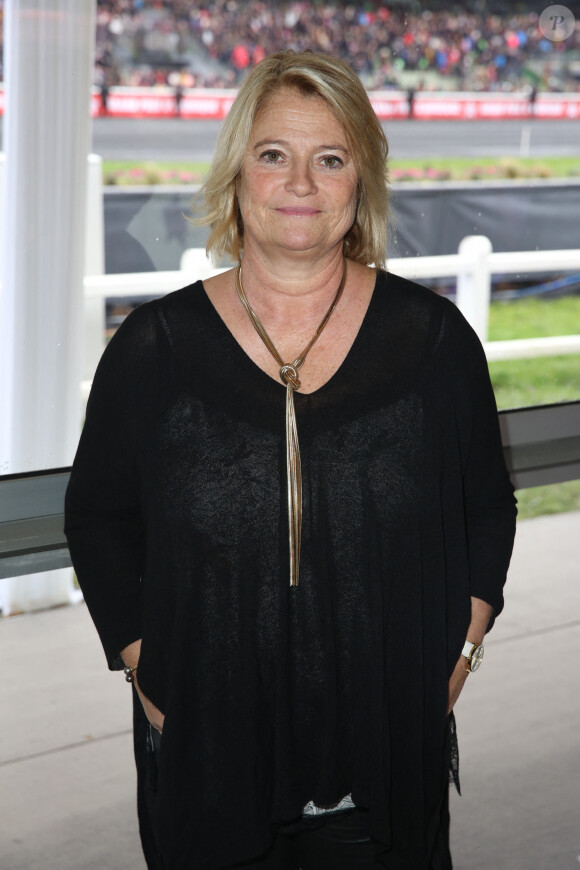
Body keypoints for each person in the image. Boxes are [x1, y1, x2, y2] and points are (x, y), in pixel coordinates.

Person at [64, 50, 517, 870]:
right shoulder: (152, 349)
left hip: (386, 763)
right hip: (209, 759)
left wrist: (465, 647)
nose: (301, 182)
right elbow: (98, 518)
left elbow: (486, 504)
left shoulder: (436, 343)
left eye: (330, 158)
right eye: (274, 154)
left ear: (360, 181)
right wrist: (145, 666)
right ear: (238, 172)